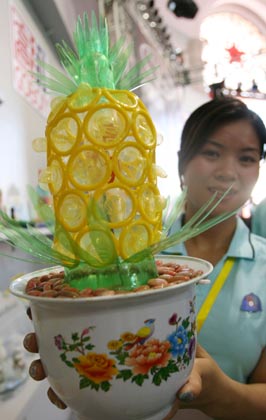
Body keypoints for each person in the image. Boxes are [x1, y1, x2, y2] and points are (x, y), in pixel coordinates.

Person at [23, 97, 266, 419]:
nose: (227, 172)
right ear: (182, 161)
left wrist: (217, 394)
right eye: (211, 152)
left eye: (246, 158)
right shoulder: (124, 247)